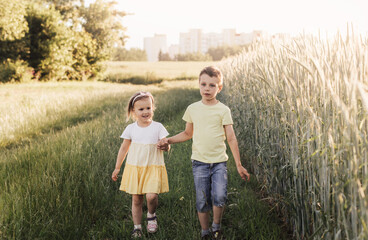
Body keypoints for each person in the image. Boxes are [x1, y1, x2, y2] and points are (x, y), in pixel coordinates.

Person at [158, 66, 250, 239]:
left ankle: (216, 227)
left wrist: (238, 164)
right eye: (204, 84)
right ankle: (205, 232)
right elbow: (187, 133)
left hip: (219, 163)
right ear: (199, 85)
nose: (207, 88)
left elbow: (231, 138)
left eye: (212, 85)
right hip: (199, 162)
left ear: (219, 88)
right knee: (202, 199)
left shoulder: (223, 110)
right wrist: (168, 140)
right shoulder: (192, 108)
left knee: (220, 196)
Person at [112, 91, 170, 238]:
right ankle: (137, 227)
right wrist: (118, 167)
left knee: (151, 196)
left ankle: (151, 215)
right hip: (135, 167)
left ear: (153, 108)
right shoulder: (131, 129)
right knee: (137, 199)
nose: (145, 112)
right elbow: (124, 148)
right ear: (134, 112)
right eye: (141, 109)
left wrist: (165, 147)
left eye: (148, 108)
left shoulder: (158, 127)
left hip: (153, 167)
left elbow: (166, 144)